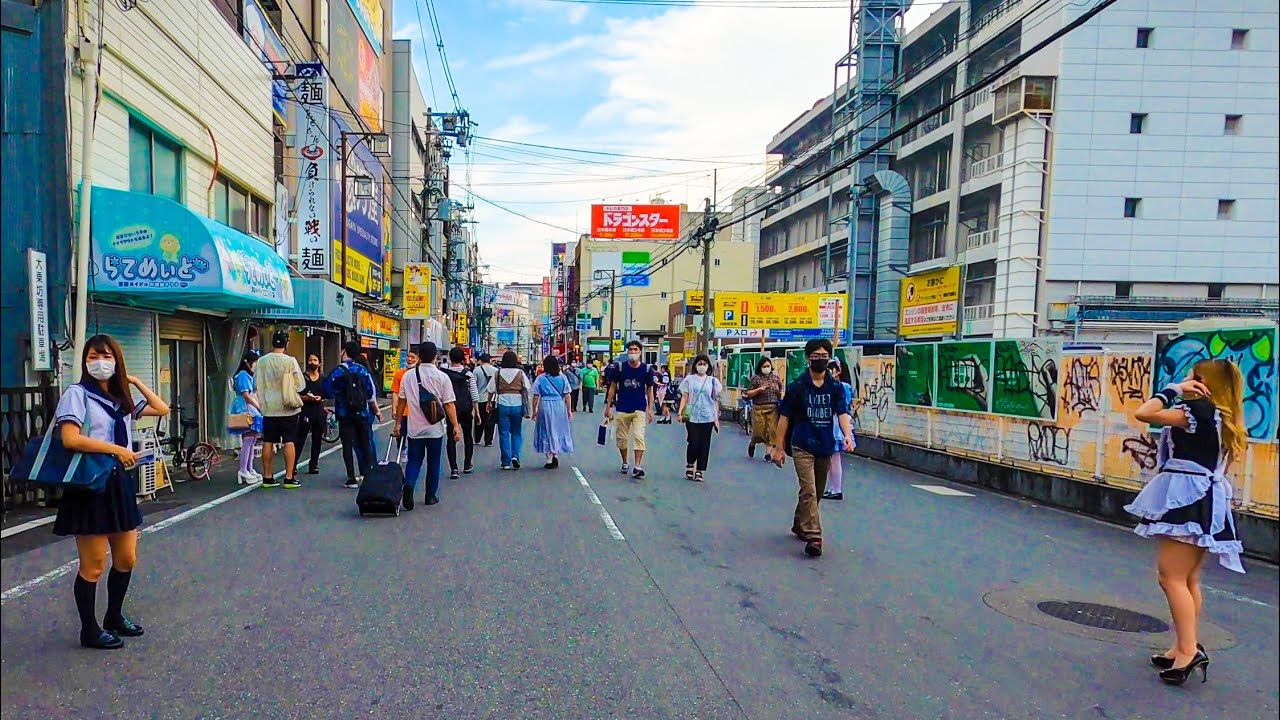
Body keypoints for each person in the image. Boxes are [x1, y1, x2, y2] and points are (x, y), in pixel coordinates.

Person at [1126, 359, 1246, 686]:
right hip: (1204, 499)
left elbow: (1144, 413)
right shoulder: (1221, 417)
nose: (1187, 380)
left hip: (1188, 499)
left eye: (1193, 376)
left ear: (1204, 382)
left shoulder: (1196, 412)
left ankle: (1189, 651)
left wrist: (1174, 389)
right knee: (1188, 579)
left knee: (1171, 578)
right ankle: (1182, 646)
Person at [54, 334, 169, 649]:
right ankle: (89, 630)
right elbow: (70, 438)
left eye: (106, 356)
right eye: (93, 357)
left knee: (126, 558)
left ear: (117, 361)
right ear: (84, 361)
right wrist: (116, 449)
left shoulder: (120, 399)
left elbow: (162, 408)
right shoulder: (77, 394)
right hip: (90, 484)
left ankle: (114, 616)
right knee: (93, 565)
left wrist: (134, 381)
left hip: (119, 482)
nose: (99, 362)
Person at [771, 339, 853, 558]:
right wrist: (779, 447)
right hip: (802, 443)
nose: (820, 360)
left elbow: (842, 413)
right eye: (816, 356)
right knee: (808, 489)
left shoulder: (835, 387)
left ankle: (800, 523)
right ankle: (815, 536)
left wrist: (847, 435)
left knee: (816, 491)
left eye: (824, 356)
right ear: (808, 358)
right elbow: (784, 417)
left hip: (825, 444)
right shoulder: (797, 386)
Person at [396, 342, 461, 509]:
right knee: (434, 462)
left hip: (414, 428)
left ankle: (409, 484)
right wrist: (455, 426)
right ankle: (430, 495)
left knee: (414, 460)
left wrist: (398, 424)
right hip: (435, 429)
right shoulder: (441, 377)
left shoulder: (408, 376)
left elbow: (401, 402)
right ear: (435, 357)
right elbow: (449, 404)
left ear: (419, 356)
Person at [325, 342, 383, 488]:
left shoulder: (339, 371)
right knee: (365, 443)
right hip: (362, 412)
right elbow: (370, 392)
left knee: (347, 445)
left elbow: (328, 389)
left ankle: (351, 478)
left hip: (344, 413)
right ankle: (368, 474)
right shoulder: (362, 370)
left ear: (344, 351)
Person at [253, 330, 305, 489]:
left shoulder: (262, 361)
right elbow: (301, 385)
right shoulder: (290, 361)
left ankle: (268, 477)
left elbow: (255, 383)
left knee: (268, 441)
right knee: (289, 440)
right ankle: (289, 478)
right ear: (286, 343)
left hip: (268, 407)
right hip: (287, 408)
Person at [604, 340, 655, 478]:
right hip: (622, 407)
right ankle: (625, 461)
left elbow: (650, 390)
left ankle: (637, 466)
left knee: (639, 436)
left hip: (639, 408)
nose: (633, 352)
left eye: (635, 349)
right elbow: (612, 387)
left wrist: (650, 409)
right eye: (630, 350)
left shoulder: (647, 370)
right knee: (622, 438)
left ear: (640, 352)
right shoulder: (620, 368)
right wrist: (608, 407)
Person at [677, 355, 722, 482]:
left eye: (704, 364)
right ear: (695, 365)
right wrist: (680, 412)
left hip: (708, 416)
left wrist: (716, 419)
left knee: (704, 444)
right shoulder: (689, 379)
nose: (702, 366)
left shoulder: (713, 381)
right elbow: (685, 396)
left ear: (708, 366)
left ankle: (700, 470)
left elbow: (715, 400)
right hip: (692, 416)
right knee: (693, 442)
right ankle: (690, 464)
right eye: (699, 364)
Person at [488, 350, 530, 470]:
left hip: (502, 404)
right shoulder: (520, 373)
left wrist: (489, 403)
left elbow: (491, 390)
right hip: (517, 404)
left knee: (504, 433)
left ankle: (505, 462)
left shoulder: (498, 373)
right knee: (516, 432)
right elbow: (527, 387)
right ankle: (515, 456)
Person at [531, 355, 575, 468]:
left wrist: (534, 410)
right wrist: (569, 410)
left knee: (546, 430)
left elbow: (536, 396)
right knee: (557, 430)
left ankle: (549, 458)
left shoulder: (540, 378)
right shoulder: (563, 378)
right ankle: (555, 453)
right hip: (559, 405)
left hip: (545, 404)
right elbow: (567, 395)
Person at [442, 347, 480, 479]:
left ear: (450, 358)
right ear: (463, 359)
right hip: (465, 408)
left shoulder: (444, 374)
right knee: (468, 436)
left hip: (450, 408)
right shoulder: (468, 374)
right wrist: (477, 412)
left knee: (451, 438)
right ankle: (467, 464)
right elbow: (474, 395)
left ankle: (454, 469)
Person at [823, 358, 856, 501]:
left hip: (837, 422)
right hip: (833, 420)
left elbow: (844, 405)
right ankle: (832, 487)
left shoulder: (843, 386)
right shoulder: (830, 385)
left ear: (838, 371)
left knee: (834, 458)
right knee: (831, 458)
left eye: (830, 369)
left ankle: (836, 488)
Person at [229, 350, 263, 485]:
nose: (256, 365)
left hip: (249, 406)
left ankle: (249, 468)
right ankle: (243, 469)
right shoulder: (243, 374)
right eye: (255, 362)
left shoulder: (248, 375)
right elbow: (246, 395)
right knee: (248, 439)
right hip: (245, 407)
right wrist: (258, 407)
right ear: (247, 363)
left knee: (252, 439)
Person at [744, 356, 784, 462]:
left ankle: (768, 454)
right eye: (764, 366)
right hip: (759, 407)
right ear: (760, 367)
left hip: (773, 407)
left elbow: (781, 391)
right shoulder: (756, 378)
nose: (766, 368)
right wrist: (758, 390)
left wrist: (778, 392)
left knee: (771, 430)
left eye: (768, 366)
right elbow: (749, 393)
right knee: (758, 431)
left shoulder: (775, 378)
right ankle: (753, 442)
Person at [295, 353, 329, 475]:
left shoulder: (323, 378)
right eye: (310, 360)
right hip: (305, 412)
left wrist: (321, 398)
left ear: (319, 363)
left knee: (317, 440)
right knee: (300, 440)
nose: (312, 362)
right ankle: (293, 464)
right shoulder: (302, 378)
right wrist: (306, 398)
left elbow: (326, 394)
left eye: (315, 360)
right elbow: (296, 394)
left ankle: (314, 464)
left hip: (319, 412)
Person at [389, 348, 421, 462]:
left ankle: (412, 453)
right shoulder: (399, 374)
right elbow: (395, 392)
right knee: (399, 433)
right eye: (408, 356)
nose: (409, 359)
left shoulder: (420, 374)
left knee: (413, 435)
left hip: (415, 411)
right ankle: (402, 449)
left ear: (418, 359)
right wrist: (394, 408)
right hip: (402, 411)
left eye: (413, 357)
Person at [473, 353, 498, 446]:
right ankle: (488, 441)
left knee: (479, 418)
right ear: (489, 360)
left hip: (480, 399)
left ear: (481, 360)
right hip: (492, 399)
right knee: (490, 421)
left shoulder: (476, 370)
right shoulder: (496, 371)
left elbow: (474, 385)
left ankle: (477, 439)